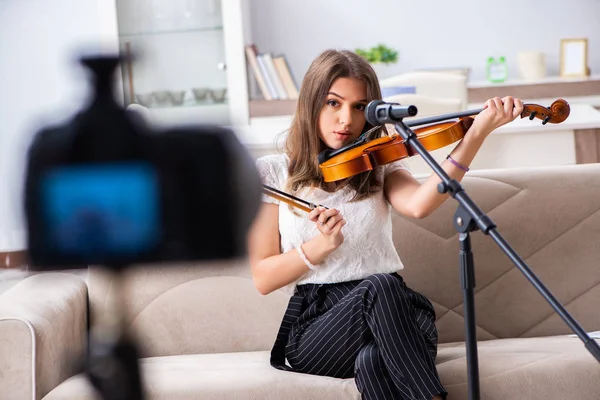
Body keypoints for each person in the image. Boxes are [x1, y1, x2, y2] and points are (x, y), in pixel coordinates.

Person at [248, 49, 523, 400]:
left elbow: (420, 204)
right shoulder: (273, 173)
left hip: (396, 313)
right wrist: (321, 246)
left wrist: (475, 136)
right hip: (321, 329)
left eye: (360, 107)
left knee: (375, 360)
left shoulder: (378, 166)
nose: (346, 119)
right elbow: (263, 278)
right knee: (379, 287)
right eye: (333, 103)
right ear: (310, 104)